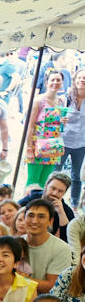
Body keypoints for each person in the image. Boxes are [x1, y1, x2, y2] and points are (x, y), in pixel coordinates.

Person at [25, 70, 67, 190]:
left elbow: (58, 126)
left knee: (45, 183)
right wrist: (29, 148)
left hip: (53, 145)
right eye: (52, 80)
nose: (55, 82)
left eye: (58, 80)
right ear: (46, 82)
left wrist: (62, 122)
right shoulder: (39, 100)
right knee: (33, 181)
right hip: (37, 145)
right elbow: (30, 126)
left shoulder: (61, 101)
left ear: (62, 83)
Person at [23, 199, 74, 294]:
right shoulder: (15, 243)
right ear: (24, 218)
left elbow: (53, 286)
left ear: (50, 221)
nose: (34, 221)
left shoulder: (61, 248)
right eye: (30, 215)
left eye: (41, 217)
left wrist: (19, 280)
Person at [20, 172, 74, 242]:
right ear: (46, 186)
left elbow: (69, 238)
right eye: (53, 188)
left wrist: (61, 213)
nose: (55, 193)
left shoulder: (66, 211)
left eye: (60, 191)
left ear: (64, 193)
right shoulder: (32, 198)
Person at [60, 69, 85, 208]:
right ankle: (53, 199)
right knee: (56, 172)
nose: (82, 80)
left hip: (81, 144)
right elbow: (54, 117)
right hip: (63, 141)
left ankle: (74, 204)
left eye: (84, 78)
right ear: (75, 80)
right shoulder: (66, 98)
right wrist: (59, 120)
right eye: (80, 77)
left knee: (77, 176)